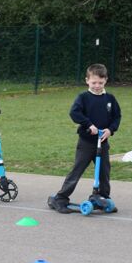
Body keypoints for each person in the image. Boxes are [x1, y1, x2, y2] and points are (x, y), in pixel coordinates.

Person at [48, 63, 121, 213]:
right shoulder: (83, 97)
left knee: (104, 172)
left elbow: (117, 116)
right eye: (94, 82)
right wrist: (89, 125)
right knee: (77, 170)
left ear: (106, 80)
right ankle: (60, 198)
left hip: (103, 142)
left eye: (100, 83)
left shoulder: (110, 99)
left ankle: (102, 197)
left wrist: (110, 130)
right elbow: (74, 113)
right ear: (87, 80)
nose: (97, 86)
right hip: (86, 143)